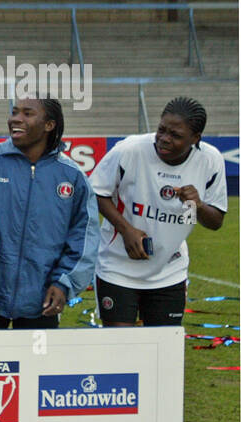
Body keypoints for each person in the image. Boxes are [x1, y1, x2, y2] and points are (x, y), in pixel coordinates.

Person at [0, 97, 100, 329]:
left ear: (49, 125)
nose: (16, 119)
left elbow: (84, 236)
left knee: (37, 366)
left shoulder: (72, 176)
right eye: (15, 112)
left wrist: (64, 283)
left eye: (27, 113)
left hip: (43, 300)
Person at [89, 97, 227, 327]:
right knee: (119, 351)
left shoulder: (210, 161)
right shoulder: (130, 149)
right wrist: (126, 230)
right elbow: (96, 192)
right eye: (161, 130)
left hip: (169, 271)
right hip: (117, 268)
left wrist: (198, 205)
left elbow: (215, 221)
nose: (164, 139)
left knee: (162, 353)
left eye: (175, 135)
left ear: (195, 139)